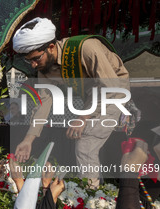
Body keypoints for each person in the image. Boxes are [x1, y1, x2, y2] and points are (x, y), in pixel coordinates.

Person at [13, 17, 131, 188]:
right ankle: (94, 187)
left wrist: (83, 117)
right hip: (92, 96)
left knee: (86, 143)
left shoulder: (87, 49)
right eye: (28, 60)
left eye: (36, 58)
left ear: (51, 47)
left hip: (115, 91)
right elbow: (43, 103)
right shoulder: (44, 66)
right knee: (78, 138)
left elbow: (110, 87)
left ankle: (91, 199)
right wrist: (28, 140)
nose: (32, 65)